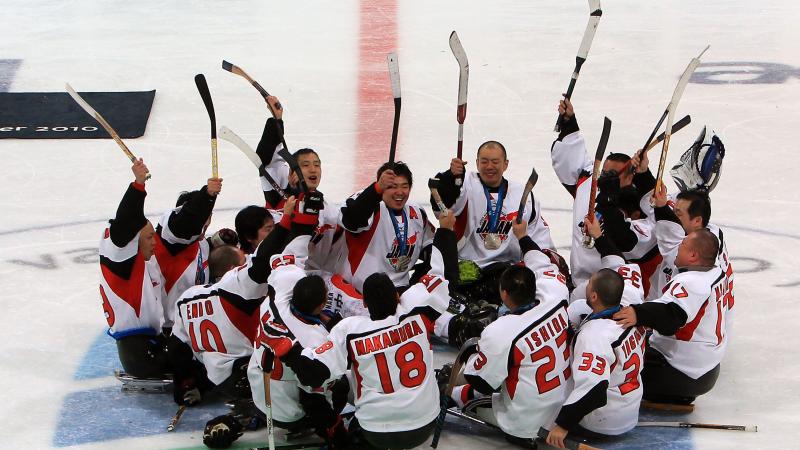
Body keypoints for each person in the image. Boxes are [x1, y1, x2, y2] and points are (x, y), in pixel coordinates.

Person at [261, 213, 458, 449]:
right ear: (398, 297)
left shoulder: (350, 330)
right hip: (425, 424)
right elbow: (444, 275)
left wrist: (288, 349)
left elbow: (313, 375)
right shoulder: (416, 311)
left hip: (377, 431)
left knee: (346, 399)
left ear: (364, 304)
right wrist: (445, 230)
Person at [448, 220, 570, 446]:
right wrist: (523, 236)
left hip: (524, 425)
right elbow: (538, 258)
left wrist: (470, 358)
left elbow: (482, 382)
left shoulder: (500, 331)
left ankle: (445, 398)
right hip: (563, 410)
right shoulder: (557, 292)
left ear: (503, 294)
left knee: (463, 393)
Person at [546, 216, 645, 448]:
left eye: (589, 283)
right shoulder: (631, 300)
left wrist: (563, 425)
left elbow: (595, 391)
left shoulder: (594, 337)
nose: (586, 284)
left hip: (601, 422)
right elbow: (618, 261)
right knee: (577, 312)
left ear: (594, 296)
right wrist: (599, 236)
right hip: (629, 407)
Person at [550, 97, 661, 296]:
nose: (605, 180)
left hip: (617, 294)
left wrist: (643, 175)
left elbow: (628, 241)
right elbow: (571, 159)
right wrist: (569, 121)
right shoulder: (589, 183)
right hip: (581, 288)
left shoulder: (639, 206)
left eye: (613, 176)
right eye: (604, 174)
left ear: (630, 176)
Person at [247, 234, 348, 449]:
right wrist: (334, 428)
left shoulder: (276, 297)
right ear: (321, 305)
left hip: (260, 393)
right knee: (340, 383)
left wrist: (304, 227)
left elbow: (285, 255)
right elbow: (313, 396)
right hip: (287, 413)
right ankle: (322, 429)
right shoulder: (315, 340)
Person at [613, 229, 730, 405]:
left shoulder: (691, 282)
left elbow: (671, 317)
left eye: (682, 246)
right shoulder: (716, 272)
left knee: (618, 353)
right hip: (707, 368)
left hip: (681, 372)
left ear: (692, 255)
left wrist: (637, 313)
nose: (677, 249)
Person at [255, 95, 346, 273]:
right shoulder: (280, 193)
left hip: (316, 284)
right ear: (291, 173)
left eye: (317, 165)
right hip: (279, 277)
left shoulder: (329, 210)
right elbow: (266, 160)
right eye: (305, 165)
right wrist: (276, 121)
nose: (313, 170)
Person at [431, 140, 555, 268]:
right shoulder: (465, 184)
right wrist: (451, 177)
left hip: (510, 269)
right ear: (477, 163)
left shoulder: (522, 193)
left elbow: (540, 236)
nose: (489, 166)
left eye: (495, 162)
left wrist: (542, 259)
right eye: (484, 162)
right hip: (469, 267)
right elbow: (441, 207)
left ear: (505, 164)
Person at [99, 159, 169, 379]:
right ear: (132, 240)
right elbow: (124, 224)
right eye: (149, 238)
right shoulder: (119, 258)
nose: (154, 242)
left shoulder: (140, 261)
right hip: (140, 355)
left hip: (149, 345)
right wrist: (139, 185)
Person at [338, 161, 436, 291]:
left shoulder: (416, 212)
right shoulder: (371, 204)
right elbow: (351, 220)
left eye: (404, 186)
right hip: (360, 294)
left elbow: (430, 248)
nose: (399, 192)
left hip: (400, 291)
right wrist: (376, 189)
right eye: (392, 186)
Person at [153, 176, 222, 330]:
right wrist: (207, 195)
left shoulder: (202, 244)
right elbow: (186, 224)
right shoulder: (170, 238)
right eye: (203, 215)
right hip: (168, 330)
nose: (205, 221)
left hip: (195, 328)